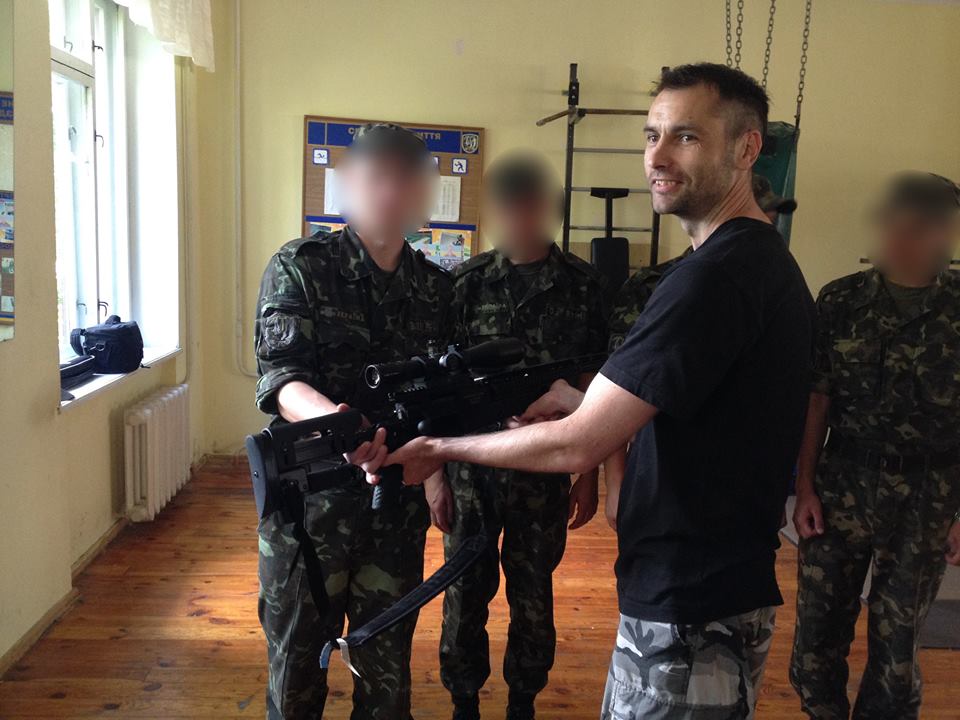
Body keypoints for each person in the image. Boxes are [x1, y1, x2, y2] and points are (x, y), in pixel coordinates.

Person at [374, 63, 815, 719]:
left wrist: (438, 448)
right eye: (652, 135)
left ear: (747, 148)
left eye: (687, 136)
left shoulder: (712, 279)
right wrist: (583, 401)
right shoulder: (759, 263)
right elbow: (697, 416)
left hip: (690, 601)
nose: (658, 157)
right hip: (714, 586)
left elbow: (577, 447)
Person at [253, 123, 454, 720]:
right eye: (376, 177)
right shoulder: (301, 267)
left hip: (394, 512)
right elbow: (282, 381)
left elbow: (440, 399)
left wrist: (436, 475)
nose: (390, 192)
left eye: (405, 180)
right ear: (348, 184)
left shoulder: (437, 290)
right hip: (309, 512)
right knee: (296, 676)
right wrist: (343, 428)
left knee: (387, 679)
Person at [439, 151, 608, 720]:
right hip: (472, 470)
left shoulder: (583, 286)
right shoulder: (464, 285)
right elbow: (440, 389)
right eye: (508, 206)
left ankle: (522, 701)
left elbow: (594, 384)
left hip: (545, 471)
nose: (518, 216)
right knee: (465, 589)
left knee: (533, 591)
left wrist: (589, 472)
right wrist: (434, 478)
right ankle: (464, 699)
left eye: (529, 204)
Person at [790, 172, 960, 720]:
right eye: (896, 224)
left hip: (929, 497)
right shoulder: (840, 300)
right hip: (842, 485)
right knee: (816, 640)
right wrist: (804, 485)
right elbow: (817, 399)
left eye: (921, 227)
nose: (904, 238)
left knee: (898, 651)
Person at [600, 175, 797, 530]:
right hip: (666, 481)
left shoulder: (778, 287)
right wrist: (616, 482)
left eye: (770, 218)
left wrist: (773, 488)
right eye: (756, 216)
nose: (765, 227)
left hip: (741, 488)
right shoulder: (656, 286)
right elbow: (617, 385)